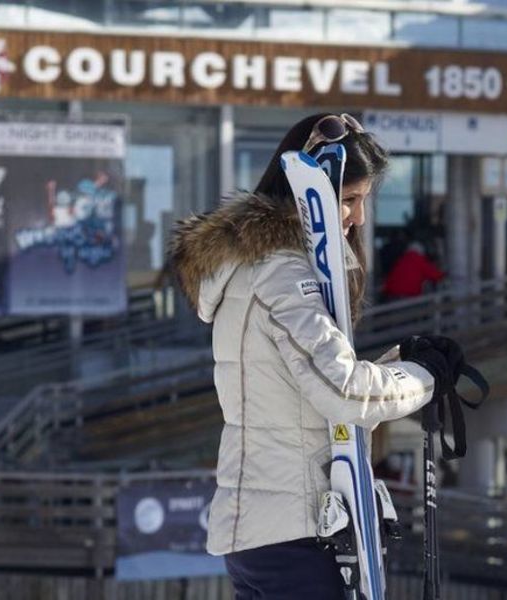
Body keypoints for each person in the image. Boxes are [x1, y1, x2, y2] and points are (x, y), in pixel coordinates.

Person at [170, 113, 467, 599]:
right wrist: (425, 377)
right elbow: (342, 391)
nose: (359, 218)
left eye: (364, 200)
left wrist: (398, 363)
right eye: (349, 199)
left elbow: (306, 382)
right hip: (295, 533)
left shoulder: (259, 270)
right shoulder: (281, 275)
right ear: (312, 193)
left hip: (269, 532)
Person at [381, 240, 445, 301]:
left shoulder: (401, 260)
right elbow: (436, 275)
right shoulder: (419, 259)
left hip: (391, 297)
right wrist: (445, 274)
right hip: (407, 298)